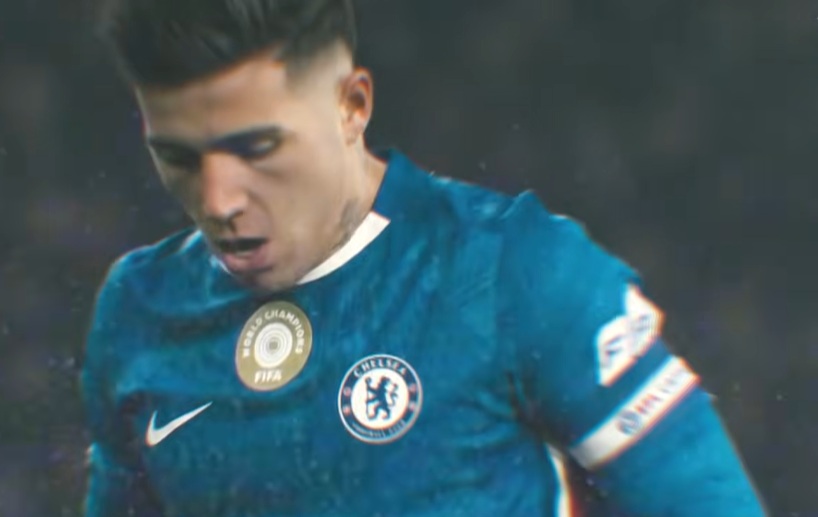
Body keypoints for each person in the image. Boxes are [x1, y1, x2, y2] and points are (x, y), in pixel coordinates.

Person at [82, 0, 768, 515]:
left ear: (352, 106)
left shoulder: (513, 272)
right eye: (178, 157)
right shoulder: (138, 310)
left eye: (257, 149)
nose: (219, 199)